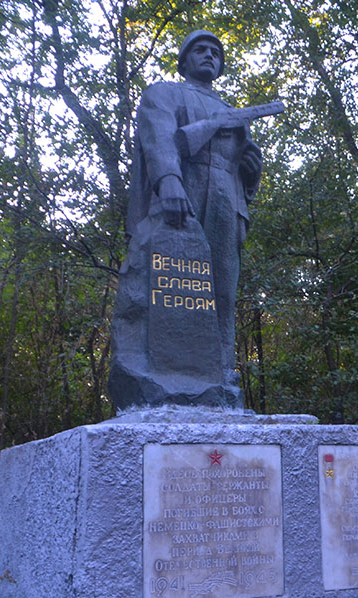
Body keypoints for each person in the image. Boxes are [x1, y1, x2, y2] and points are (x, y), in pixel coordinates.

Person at [125, 29, 264, 389]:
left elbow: (240, 166)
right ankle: (167, 372)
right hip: (185, 189)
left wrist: (252, 170)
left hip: (225, 198)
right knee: (173, 282)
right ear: (184, 60)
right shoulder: (164, 92)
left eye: (215, 52)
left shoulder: (232, 111)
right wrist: (169, 179)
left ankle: (221, 370)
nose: (209, 56)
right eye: (200, 50)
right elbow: (159, 137)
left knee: (223, 290)